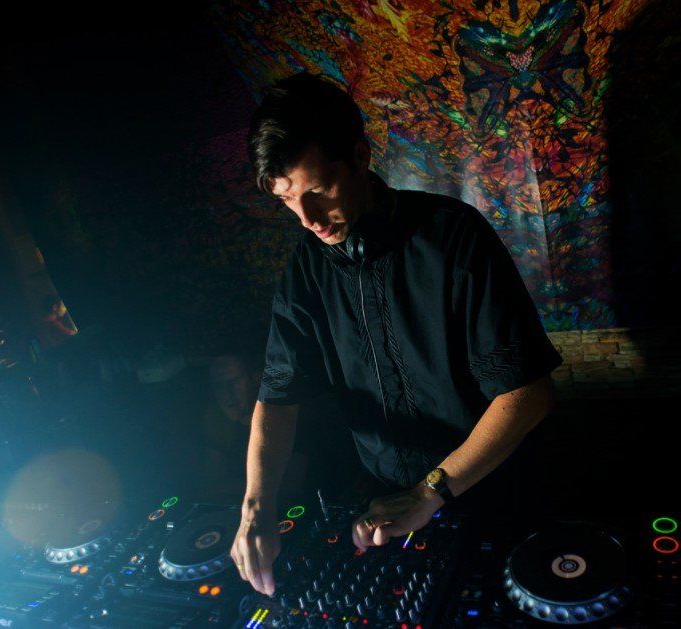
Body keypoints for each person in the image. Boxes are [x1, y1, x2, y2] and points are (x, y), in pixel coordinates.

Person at [228, 72, 563, 596]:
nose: (308, 219)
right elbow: (278, 395)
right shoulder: (306, 269)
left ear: (360, 157)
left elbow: (528, 393)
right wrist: (255, 509)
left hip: (492, 491)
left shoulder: (454, 236)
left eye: (318, 191)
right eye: (288, 201)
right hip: (387, 505)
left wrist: (430, 494)